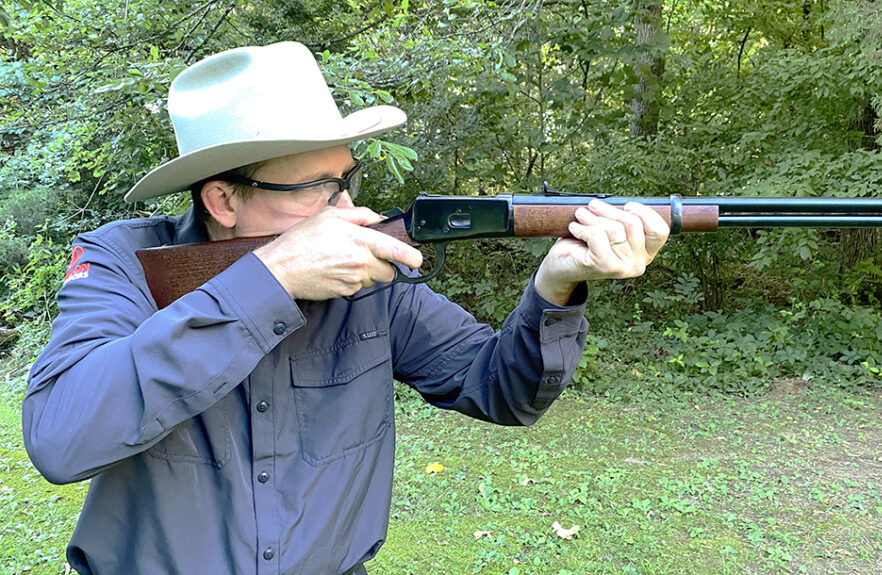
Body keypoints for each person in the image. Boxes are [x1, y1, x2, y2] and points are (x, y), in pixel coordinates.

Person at [22, 41, 669, 574]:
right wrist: (269, 281)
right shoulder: (123, 262)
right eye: (321, 188)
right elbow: (60, 437)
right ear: (222, 200)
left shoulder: (367, 278)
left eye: (347, 181)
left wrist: (557, 283)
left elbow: (502, 390)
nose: (348, 208)